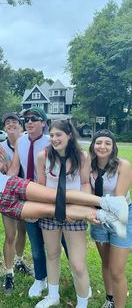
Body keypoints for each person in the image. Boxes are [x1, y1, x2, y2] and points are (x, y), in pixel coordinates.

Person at [0, 132, 128, 239]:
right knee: (50, 210)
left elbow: (10, 167)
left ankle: (109, 203)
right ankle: (104, 216)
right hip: (2, 202)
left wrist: (4, 159)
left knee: (56, 195)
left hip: (12, 184)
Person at [7, 107, 68, 298]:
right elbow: (15, 168)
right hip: (29, 196)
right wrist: (2, 186)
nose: (29, 122)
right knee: (35, 241)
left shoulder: (52, 142)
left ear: (43, 122)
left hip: (51, 197)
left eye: (35, 118)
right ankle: (40, 278)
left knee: (65, 238)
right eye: (26, 119)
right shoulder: (20, 141)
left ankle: (77, 273)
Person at [35, 120, 92, 308]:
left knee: (77, 263)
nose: (54, 139)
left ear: (69, 135)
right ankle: (53, 295)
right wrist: (43, 208)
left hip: (73, 212)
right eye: (51, 135)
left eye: (58, 135)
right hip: (50, 211)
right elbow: (41, 186)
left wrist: (81, 209)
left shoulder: (82, 157)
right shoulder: (43, 157)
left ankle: (82, 302)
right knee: (52, 254)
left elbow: (85, 183)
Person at [89, 130, 132, 308]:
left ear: (113, 147)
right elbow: (86, 191)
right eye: (99, 142)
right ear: (93, 146)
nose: (103, 146)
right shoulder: (88, 166)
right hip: (99, 219)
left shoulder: (124, 165)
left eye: (108, 143)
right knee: (106, 263)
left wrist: (93, 208)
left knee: (116, 270)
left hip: (121, 218)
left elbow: (118, 200)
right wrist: (90, 212)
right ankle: (110, 300)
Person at [0, 112, 33, 294]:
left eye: (15, 122)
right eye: (7, 122)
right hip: (9, 193)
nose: (11, 124)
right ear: (4, 127)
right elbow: (1, 172)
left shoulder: (28, 142)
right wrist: (3, 164)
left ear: (21, 126)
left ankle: (19, 261)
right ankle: (9, 274)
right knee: (10, 234)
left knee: (23, 230)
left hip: (29, 192)